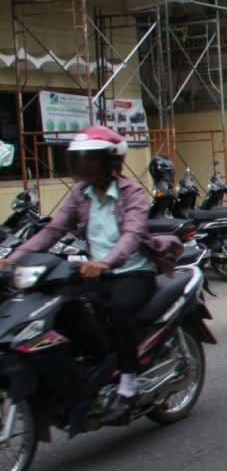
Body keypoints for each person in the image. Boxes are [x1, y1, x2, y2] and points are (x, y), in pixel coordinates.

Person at [0, 126, 155, 423]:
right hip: (96, 272)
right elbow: (53, 231)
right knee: (60, 307)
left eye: (91, 158)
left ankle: (129, 383)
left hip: (133, 272)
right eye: (80, 158)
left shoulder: (131, 192)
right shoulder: (81, 194)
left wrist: (107, 261)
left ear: (111, 161)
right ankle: (90, 370)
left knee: (119, 310)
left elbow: (133, 233)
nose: (84, 165)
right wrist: (12, 259)